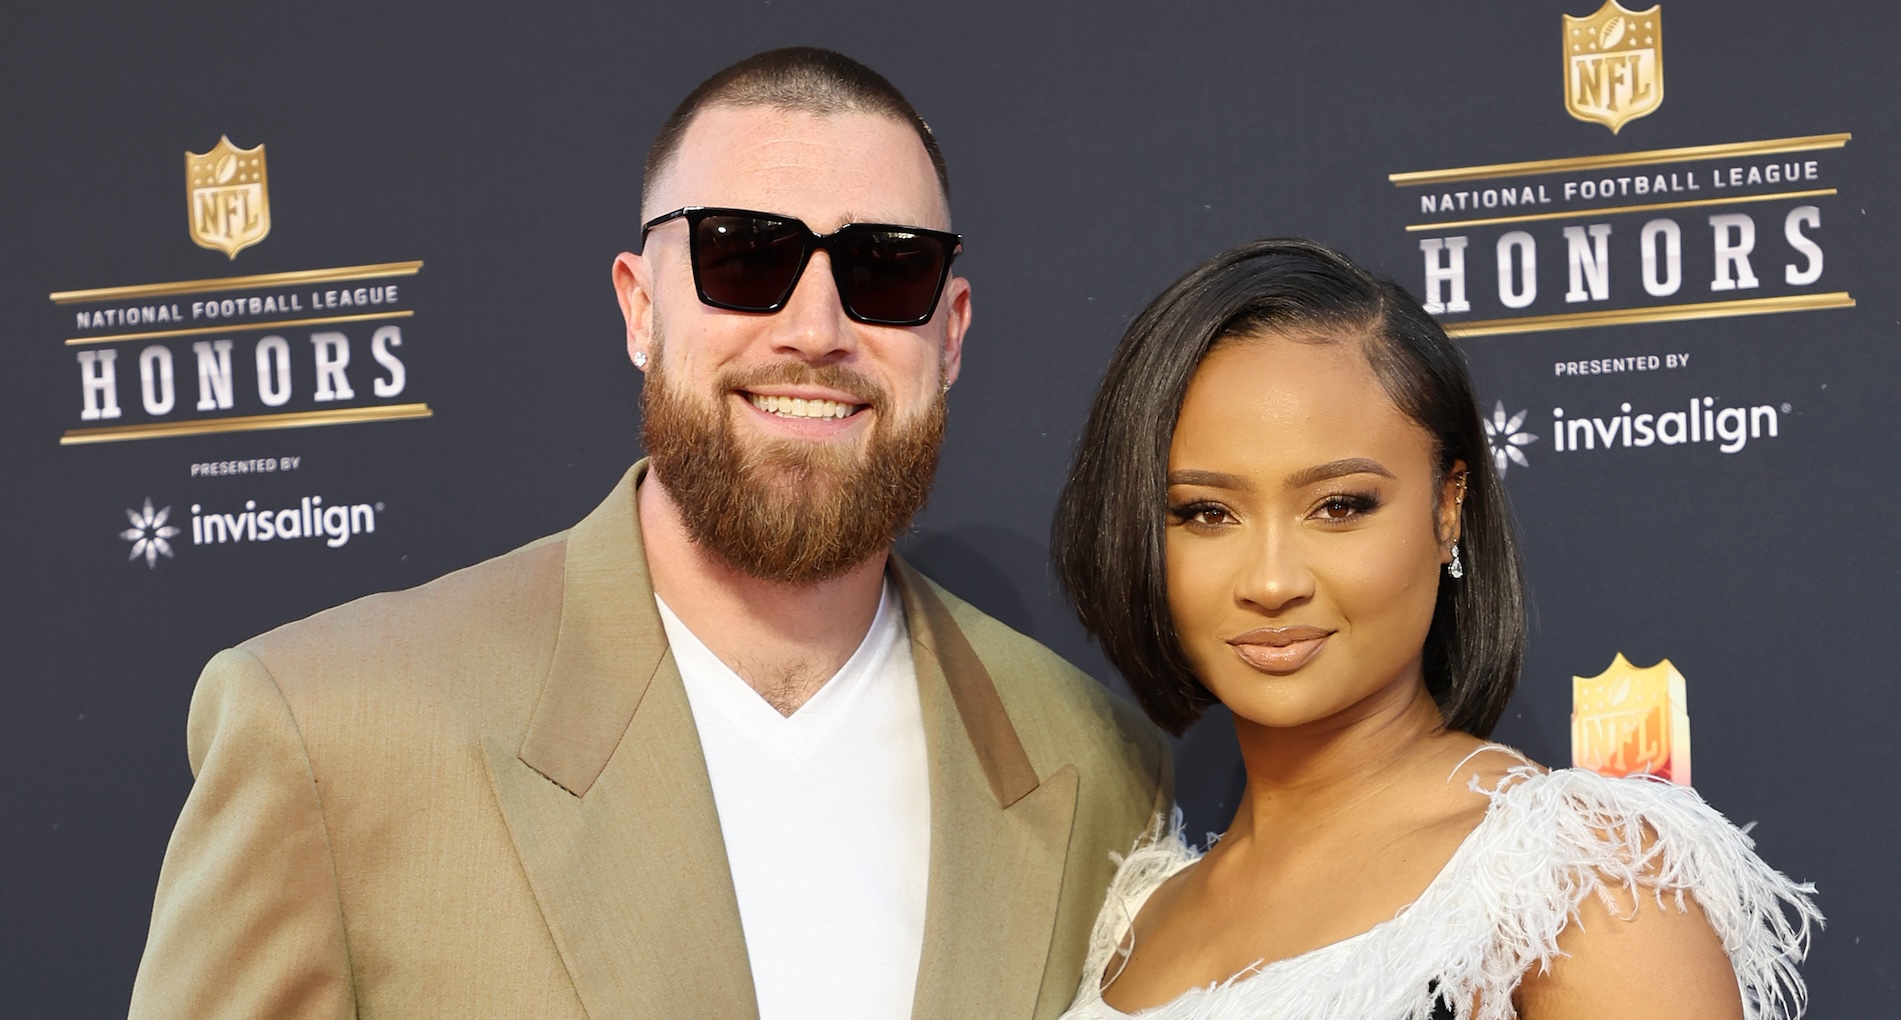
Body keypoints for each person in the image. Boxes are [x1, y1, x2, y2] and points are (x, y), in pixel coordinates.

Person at [129, 48, 1168, 1020]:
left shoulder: (1103, 769)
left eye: (886, 271)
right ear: (639, 309)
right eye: (743, 257)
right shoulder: (330, 731)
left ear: (949, 334)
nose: (814, 329)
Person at [1049, 239, 1818, 1020]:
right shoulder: (1131, 920)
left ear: (1448, 507)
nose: (1271, 582)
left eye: (1340, 506)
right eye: (1206, 513)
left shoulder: (1575, 879)